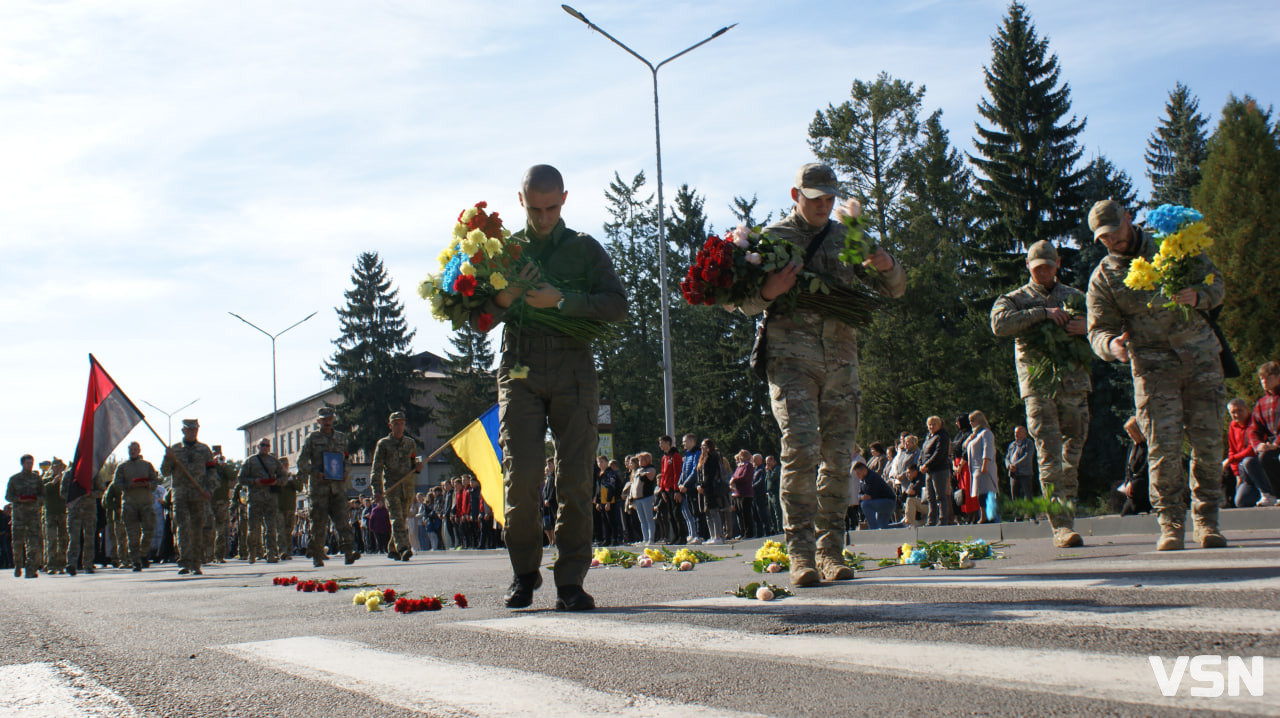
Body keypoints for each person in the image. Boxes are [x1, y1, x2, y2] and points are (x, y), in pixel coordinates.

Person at [738, 162, 905, 586]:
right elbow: (739, 302)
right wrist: (766, 291)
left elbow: (895, 288)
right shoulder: (773, 239)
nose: (824, 207)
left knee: (836, 459)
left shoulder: (847, 238)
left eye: (830, 199)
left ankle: (831, 551)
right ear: (796, 196)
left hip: (841, 364)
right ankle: (800, 555)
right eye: (816, 200)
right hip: (792, 361)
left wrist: (886, 265)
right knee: (800, 450)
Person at [481, 165, 627, 611]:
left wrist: (561, 300)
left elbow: (617, 305)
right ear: (520, 200)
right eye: (535, 208)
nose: (543, 217)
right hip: (520, 370)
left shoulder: (583, 249)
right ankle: (524, 574)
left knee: (576, 479)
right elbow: (476, 318)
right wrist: (501, 301)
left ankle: (570, 581)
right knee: (522, 476)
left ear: (564, 199)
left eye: (552, 207)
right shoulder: (502, 252)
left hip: (573, 371)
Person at [1087, 199, 1228, 550]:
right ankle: (1170, 524)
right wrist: (1111, 347)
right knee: (1162, 450)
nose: (1112, 240)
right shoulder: (1104, 277)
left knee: (1208, 443)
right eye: (1103, 237)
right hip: (1152, 368)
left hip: (1200, 359)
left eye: (1115, 231)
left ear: (1129, 219)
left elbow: (1217, 285)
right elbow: (1097, 330)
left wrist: (1198, 295)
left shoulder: (1174, 245)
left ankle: (1208, 521)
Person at [991, 239, 1090, 546]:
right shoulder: (1016, 299)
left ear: (1057, 263)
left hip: (1074, 384)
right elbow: (998, 324)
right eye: (1037, 268)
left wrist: (1087, 326)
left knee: (1072, 451)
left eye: (1048, 266)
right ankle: (1060, 525)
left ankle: (1067, 511)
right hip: (1038, 387)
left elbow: (1106, 324)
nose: (1044, 272)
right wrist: (1043, 314)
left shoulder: (1075, 297)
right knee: (1048, 452)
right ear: (1028, 267)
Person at [297, 407, 360, 567]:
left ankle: (348, 553)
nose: (327, 422)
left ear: (333, 420)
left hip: (337, 488)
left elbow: (346, 458)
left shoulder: (340, 438)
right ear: (318, 421)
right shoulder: (312, 438)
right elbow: (301, 462)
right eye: (324, 419)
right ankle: (317, 556)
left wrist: (345, 471)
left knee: (342, 522)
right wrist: (315, 472)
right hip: (319, 489)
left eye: (329, 419)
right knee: (318, 523)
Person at [160, 419, 219, 575]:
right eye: (190, 429)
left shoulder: (204, 450)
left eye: (195, 429)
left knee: (197, 529)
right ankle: (184, 562)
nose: (193, 431)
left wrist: (209, 490)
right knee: (182, 528)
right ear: (183, 431)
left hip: (199, 494)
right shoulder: (175, 450)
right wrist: (168, 458)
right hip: (180, 494)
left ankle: (196, 563)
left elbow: (212, 472)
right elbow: (165, 472)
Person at [370, 411, 423, 562]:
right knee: (397, 518)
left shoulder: (410, 443)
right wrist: (377, 491)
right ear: (390, 426)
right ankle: (403, 548)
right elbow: (376, 469)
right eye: (396, 424)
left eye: (401, 423)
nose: (399, 427)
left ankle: (392, 548)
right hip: (391, 488)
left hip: (407, 487)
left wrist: (418, 468)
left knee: (403, 518)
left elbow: (414, 465)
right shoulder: (383, 444)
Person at [237, 437, 283, 563]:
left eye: (267, 446)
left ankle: (271, 553)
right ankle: (252, 553)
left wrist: (276, 482)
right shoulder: (250, 461)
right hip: (255, 498)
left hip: (271, 498)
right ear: (258, 446)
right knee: (254, 528)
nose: (265, 448)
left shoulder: (274, 461)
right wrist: (254, 482)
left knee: (271, 527)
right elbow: (241, 478)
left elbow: (283, 476)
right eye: (262, 445)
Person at [1229, 397, 1279, 507]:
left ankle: (1269, 493)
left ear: (1247, 409)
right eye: (1233, 412)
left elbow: (1252, 449)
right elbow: (1232, 450)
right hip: (1244, 471)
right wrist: (1237, 474)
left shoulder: (1254, 423)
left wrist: (1230, 460)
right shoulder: (1233, 426)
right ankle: (1259, 494)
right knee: (1242, 502)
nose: (1237, 415)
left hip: (1256, 467)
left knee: (1248, 461)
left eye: (1240, 410)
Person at [61, 456, 105, 575]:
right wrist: (74, 495)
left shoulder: (94, 473)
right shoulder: (69, 474)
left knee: (89, 538)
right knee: (74, 539)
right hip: (74, 511)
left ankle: (88, 564)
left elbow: (101, 491)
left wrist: (89, 494)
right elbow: (63, 493)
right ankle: (71, 564)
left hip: (89, 510)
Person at [7, 455, 44, 578]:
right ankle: (18, 566)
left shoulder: (37, 479)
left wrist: (35, 499)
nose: (30, 465)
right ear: (22, 464)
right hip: (19, 515)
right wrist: (19, 499)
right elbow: (8, 496)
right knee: (17, 543)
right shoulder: (14, 479)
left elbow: (43, 496)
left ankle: (31, 568)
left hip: (33, 515)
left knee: (34, 542)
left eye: (31, 463)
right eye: (27, 463)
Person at [1247, 361, 1280, 496]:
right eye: (1262, 378)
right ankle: (1270, 494)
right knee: (1250, 462)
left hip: (1277, 445)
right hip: (1270, 446)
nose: (1264, 381)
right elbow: (1253, 429)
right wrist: (1258, 445)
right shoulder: (1261, 403)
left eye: (1268, 377)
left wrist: (1277, 444)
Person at [964, 411, 999, 523]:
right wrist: (969, 439)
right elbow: (964, 446)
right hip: (975, 469)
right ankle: (983, 516)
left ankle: (989, 516)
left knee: (987, 493)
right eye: (969, 421)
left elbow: (988, 448)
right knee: (980, 494)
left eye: (972, 420)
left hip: (984, 468)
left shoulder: (986, 433)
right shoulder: (975, 435)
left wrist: (985, 463)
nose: (970, 423)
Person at [920, 418, 952, 526]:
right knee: (930, 497)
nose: (931, 427)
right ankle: (931, 519)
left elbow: (939, 453)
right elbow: (923, 452)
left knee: (940, 496)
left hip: (939, 470)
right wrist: (921, 464)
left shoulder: (942, 436)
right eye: (929, 425)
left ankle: (943, 519)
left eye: (934, 424)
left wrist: (927, 465)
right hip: (929, 471)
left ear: (939, 425)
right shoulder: (928, 437)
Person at [697, 439, 730, 544]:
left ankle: (718, 535)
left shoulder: (713, 457)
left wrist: (703, 485)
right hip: (705, 489)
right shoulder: (702, 458)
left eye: (704, 446)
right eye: (701, 446)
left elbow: (710, 475)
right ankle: (712, 535)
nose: (702, 448)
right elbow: (700, 474)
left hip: (712, 488)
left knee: (714, 512)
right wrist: (699, 484)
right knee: (707, 513)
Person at [1118, 417, 1152, 516]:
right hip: (1132, 481)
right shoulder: (1132, 447)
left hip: (1142, 481)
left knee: (1136, 490)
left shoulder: (1146, 447)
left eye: (1131, 432)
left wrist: (1133, 482)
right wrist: (1128, 481)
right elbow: (1128, 466)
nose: (1130, 435)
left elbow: (1145, 467)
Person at [42, 459, 69, 574]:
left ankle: (61, 564)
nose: (58, 469)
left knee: (63, 540)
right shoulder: (46, 480)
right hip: (51, 513)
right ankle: (51, 565)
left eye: (60, 467)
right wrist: (53, 482)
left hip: (63, 513)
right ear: (52, 468)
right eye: (56, 467)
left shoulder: (66, 481)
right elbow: (43, 491)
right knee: (51, 540)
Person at [853, 458, 896, 530]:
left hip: (888, 502)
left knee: (865, 504)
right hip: (881, 502)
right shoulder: (864, 480)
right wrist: (861, 497)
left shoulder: (872, 478)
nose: (858, 476)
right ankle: (903, 527)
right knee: (883, 527)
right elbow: (860, 495)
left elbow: (869, 497)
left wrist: (861, 497)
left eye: (858, 474)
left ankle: (873, 529)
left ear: (864, 471)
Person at [678, 434, 703, 545]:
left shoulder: (697, 453)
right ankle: (693, 534)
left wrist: (686, 484)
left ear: (692, 441)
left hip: (692, 487)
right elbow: (683, 471)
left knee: (697, 511)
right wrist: (679, 484)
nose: (683, 443)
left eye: (685, 441)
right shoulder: (688, 455)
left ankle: (699, 534)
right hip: (686, 488)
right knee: (690, 512)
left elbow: (694, 470)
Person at [656, 436, 682, 545]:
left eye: (662, 443)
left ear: (668, 443)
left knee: (677, 514)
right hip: (666, 489)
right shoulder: (664, 458)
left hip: (673, 488)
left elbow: (677, 473)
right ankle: (675, 536)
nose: (660, 445)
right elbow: (663, 474)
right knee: (670, 514)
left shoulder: (675, 456)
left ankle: (682, 536)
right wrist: (662, 490)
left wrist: (676, 490)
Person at [275, 457, 301, 560]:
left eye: (286, 465)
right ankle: (282, 551)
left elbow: (299, 487)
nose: (285, 467)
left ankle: (288, 551)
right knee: (280, 530)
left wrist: (290, 480)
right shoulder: (276, 477)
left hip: (290, 507)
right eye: (283, 465)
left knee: (289, 530)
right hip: (279, 508)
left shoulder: (292, 477)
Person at [1004, 426, 1037, 504]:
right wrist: (1009, 466)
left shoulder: (1028, 443)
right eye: (1015, 432)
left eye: (1019, 432)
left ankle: (1030, 514)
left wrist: (1015, 465)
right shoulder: (1012, 445)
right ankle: (1018, 515)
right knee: (1015, 497)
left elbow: (1027, 457)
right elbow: (1007, 458)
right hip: (1013, 474)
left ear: (1024, 433)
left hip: (1025, 473)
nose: (1016, 434)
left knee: (1027, 496)